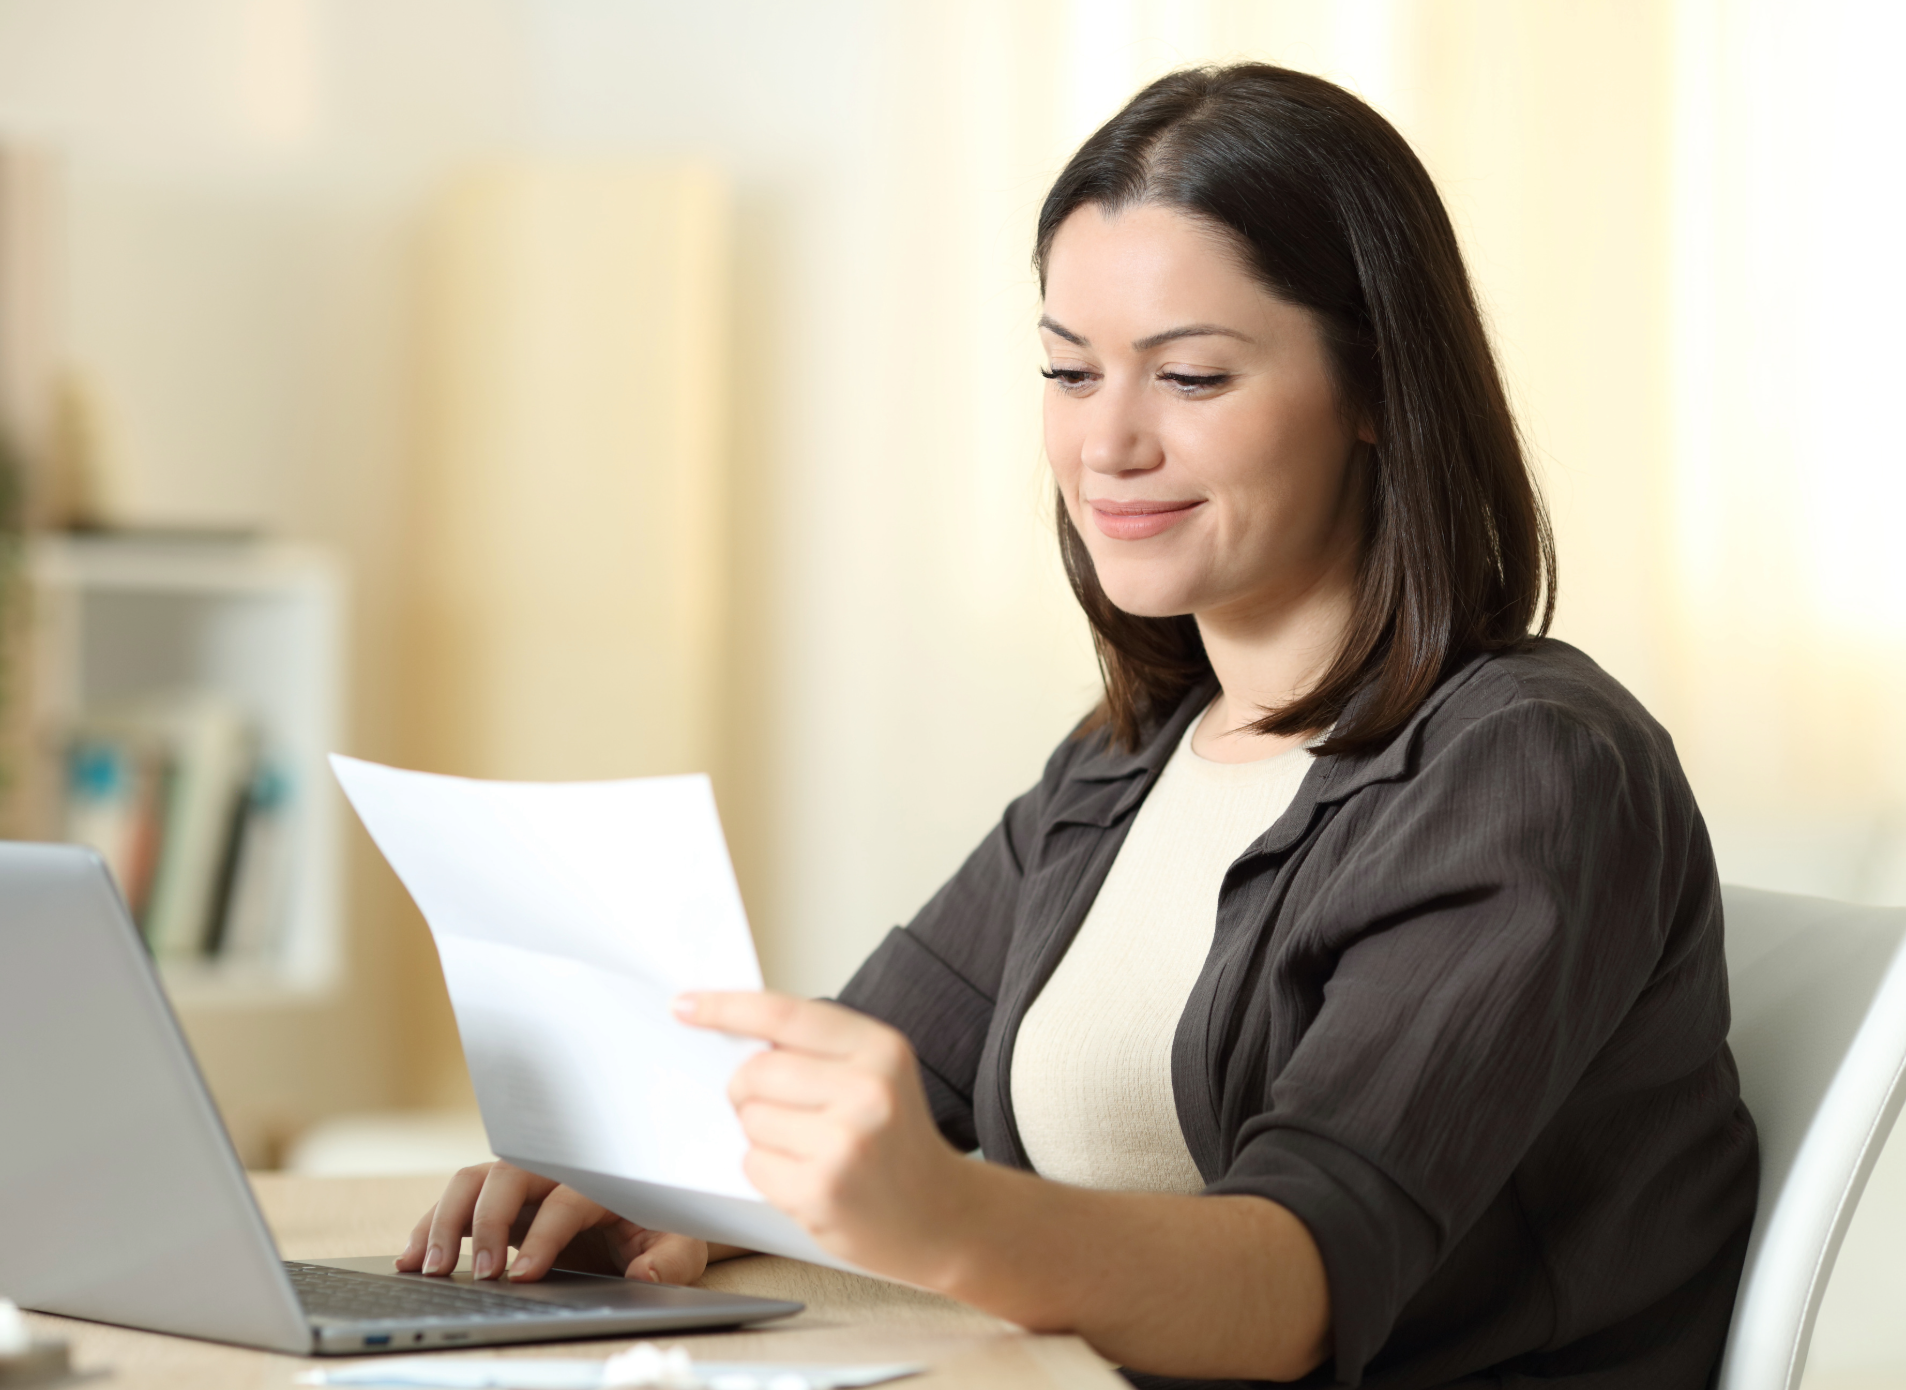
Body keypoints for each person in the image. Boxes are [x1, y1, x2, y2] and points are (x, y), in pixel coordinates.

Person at [397, 64, 1757, 1388]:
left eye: (1192, 378)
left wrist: (944, 1216)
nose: (1107, 444)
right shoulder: (1128, 759)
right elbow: (885, 1067)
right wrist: (668, 1174)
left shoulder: (1531, 769)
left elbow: (1295, 1288)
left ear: (1373, 394)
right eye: (1068, 371)